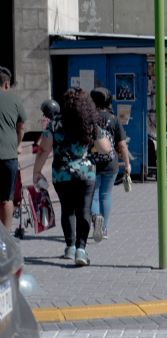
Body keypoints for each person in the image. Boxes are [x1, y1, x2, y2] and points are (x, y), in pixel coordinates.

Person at [32, 88, 112, 266]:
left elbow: (43, 149)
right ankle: (81, 250)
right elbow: (106, 148)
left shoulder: (54, 124)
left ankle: (69, 247)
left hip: (62, 174)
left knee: (67, 210)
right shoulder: (89, 123)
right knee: (83, 210)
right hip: (86, 174)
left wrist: (36, 172)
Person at [89, 88, 131, 241]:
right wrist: (127, 164)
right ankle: (104, 229)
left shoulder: (89, 118)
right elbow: (122, 145)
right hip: (110, 162)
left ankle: (96, 220)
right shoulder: (113, 119)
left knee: (93, 196)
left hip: (91, 163)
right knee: (105, 195)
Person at [0, 67, 26, 230]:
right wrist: (18, 145)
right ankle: (6, 238)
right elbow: (21, 126)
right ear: (7, 84)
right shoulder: (15, 100)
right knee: (6, 198)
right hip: (9, 155)